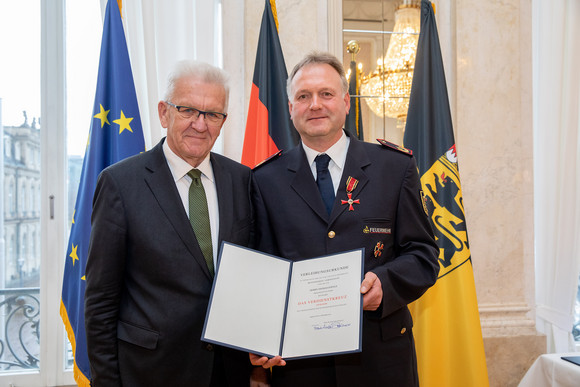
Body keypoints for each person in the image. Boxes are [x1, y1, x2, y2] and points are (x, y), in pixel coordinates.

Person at [250, 52, 440, 386]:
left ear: (346, 101)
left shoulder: (394, 168)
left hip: (380, 360)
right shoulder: (265, 179)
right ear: (291, 107)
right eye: (303, 97)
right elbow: (261, 269)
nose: (315, 105)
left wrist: (386, 283)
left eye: (326, 94)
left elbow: (423, 255)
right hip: (299, 366)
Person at [85, 60, 253, 386]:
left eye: (213, 114)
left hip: (228, 371)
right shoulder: (120, 184)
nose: (200, 125)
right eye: (188, 110)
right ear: (164, 113)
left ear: (223, 121)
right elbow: (100, 303)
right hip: (150, 372)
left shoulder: (242, 180)